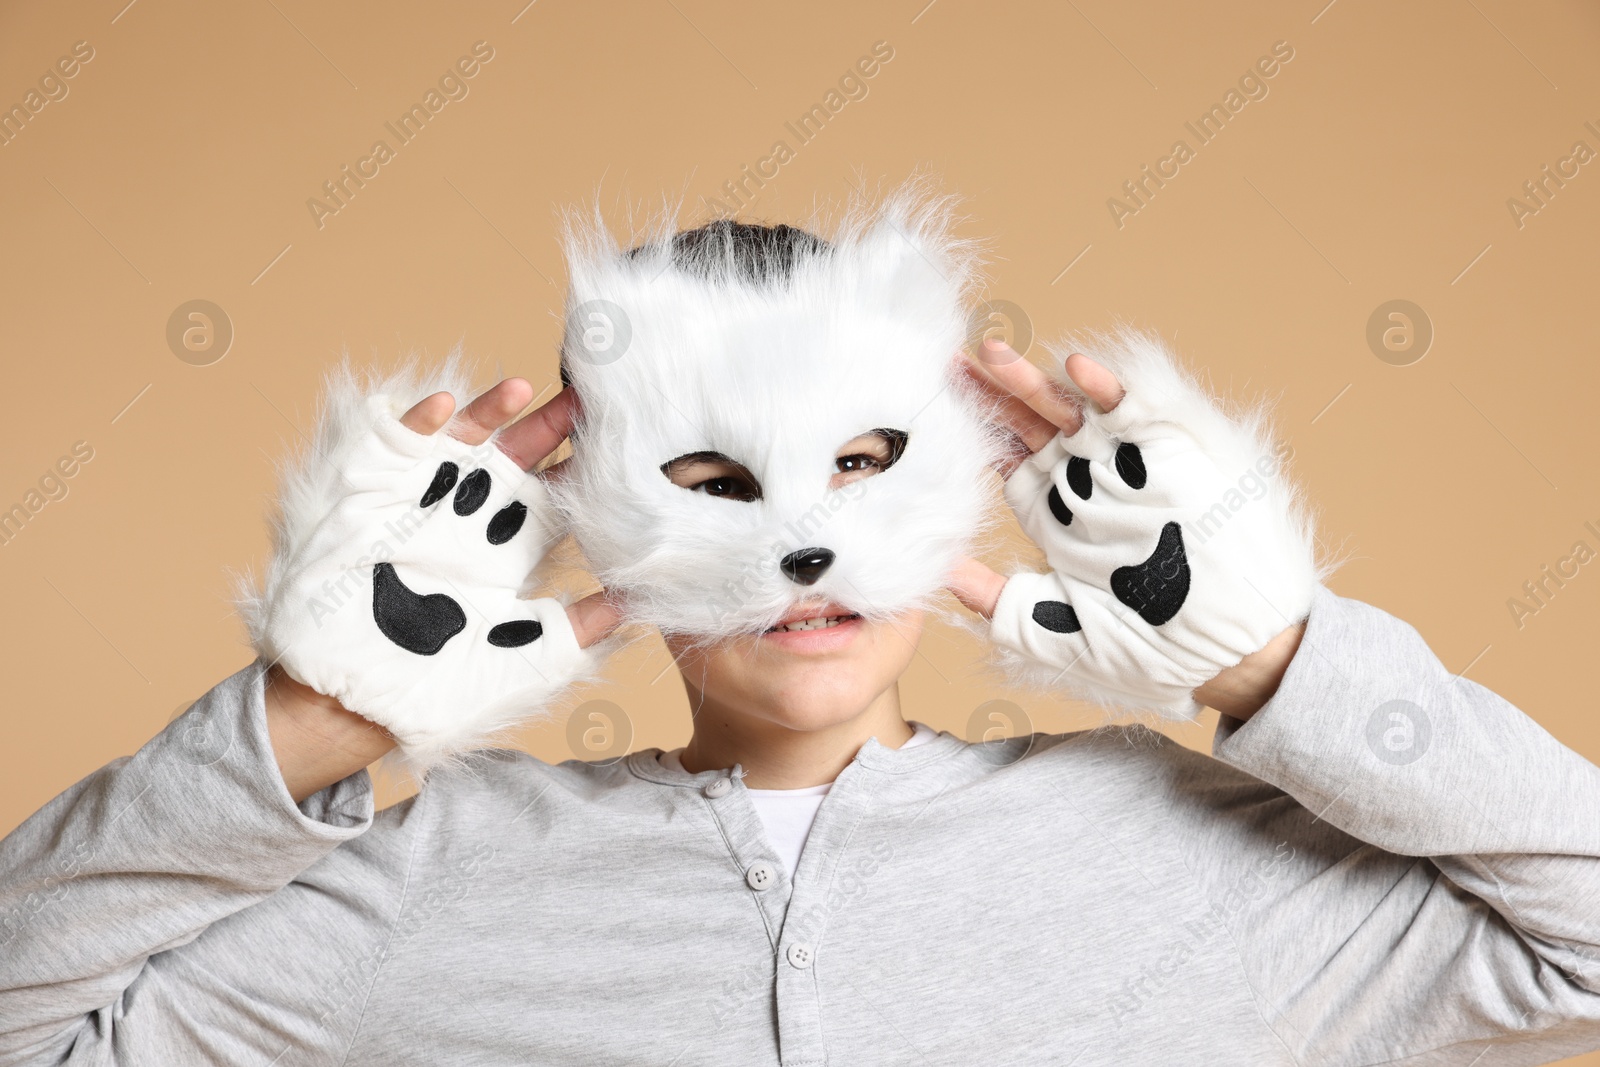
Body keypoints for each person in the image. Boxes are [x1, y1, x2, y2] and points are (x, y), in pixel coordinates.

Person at [2, 213, 1599, 1067]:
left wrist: (1270, 659)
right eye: (708, 483)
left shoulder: (1175, 861)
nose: (801, 545)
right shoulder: (437, 886)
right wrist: (313, 716)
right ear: (596, 507)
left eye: (863, 466)